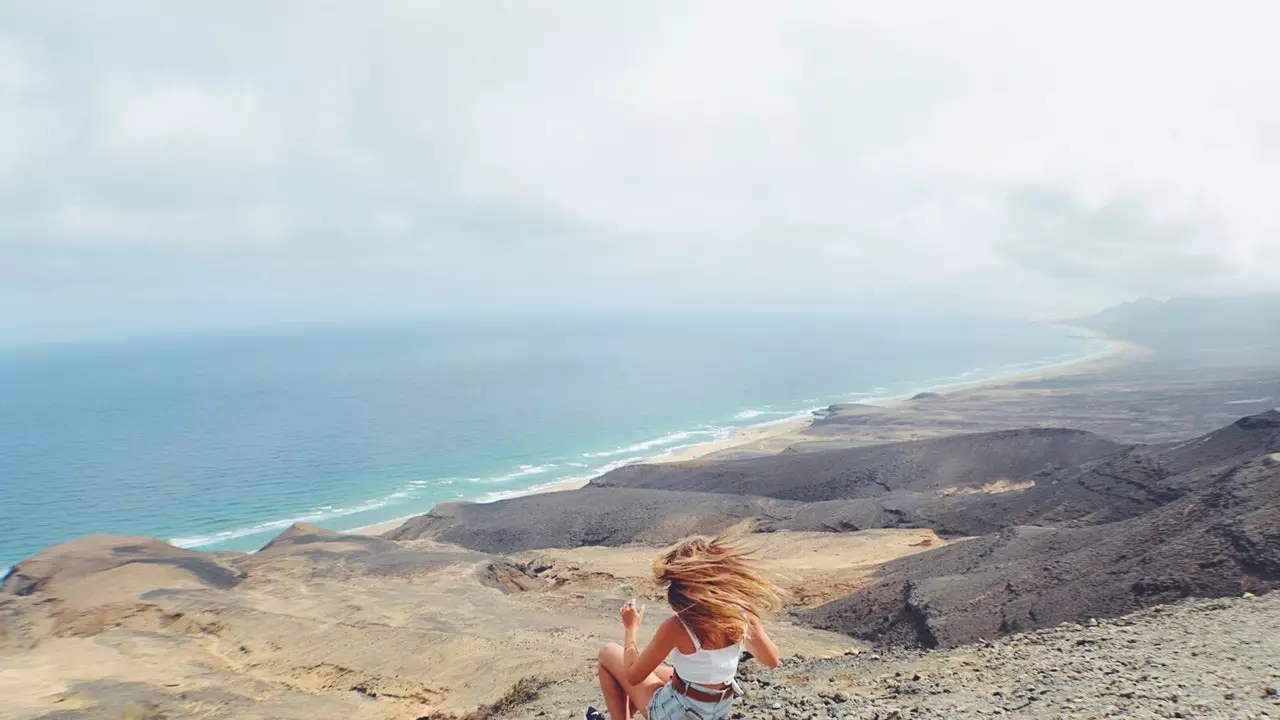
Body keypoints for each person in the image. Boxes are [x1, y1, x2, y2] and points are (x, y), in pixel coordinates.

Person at [589, 525, 783, 720]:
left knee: (608, 653)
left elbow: (632, 676)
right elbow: (772, 660)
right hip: (714, 711)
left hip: (678, 714)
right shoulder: (742, 615)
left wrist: (631, 628)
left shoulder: (678, 626)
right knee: (657, 671)